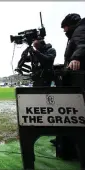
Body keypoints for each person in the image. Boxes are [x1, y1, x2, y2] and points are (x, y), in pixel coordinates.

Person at [49, 13, 85, 161]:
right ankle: (64, 141)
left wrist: (76, 57)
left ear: (71, 24)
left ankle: (70, 147)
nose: (64, 30)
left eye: (65, 27)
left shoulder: (80, 30)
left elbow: (83, 43)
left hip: (78, 78)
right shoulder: (77, 30)